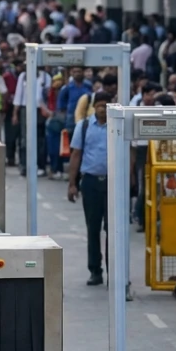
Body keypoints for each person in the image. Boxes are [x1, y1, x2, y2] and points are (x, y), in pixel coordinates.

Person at [67, 92, 112, 286]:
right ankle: (95, 270)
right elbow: (76, 155)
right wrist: (72, 184)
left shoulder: (117, 126)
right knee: (93, 229)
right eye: (99, 105)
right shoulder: (83, 126)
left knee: (113, 230)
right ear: (94, 106)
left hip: (113, 183)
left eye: (105, 105)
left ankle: (115, 271)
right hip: (91, 183)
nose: (102, 108)